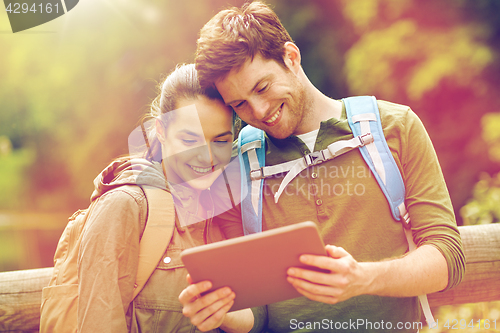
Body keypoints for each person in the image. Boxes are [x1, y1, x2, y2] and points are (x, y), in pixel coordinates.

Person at [179, 2, 465, 332]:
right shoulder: (236, 165)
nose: (258, 111)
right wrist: (222, 312)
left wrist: (364, 279)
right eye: (239, 104)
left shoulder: (396, 128)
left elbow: (448, 258)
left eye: (262, 87)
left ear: (291, 57)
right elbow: (256, 314)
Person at [75, 63, 252, 332]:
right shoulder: (125, 205)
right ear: (161, 130)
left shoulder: (224, 213)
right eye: (190, 140)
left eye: (220, 141)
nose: (207, 157)